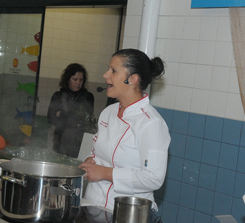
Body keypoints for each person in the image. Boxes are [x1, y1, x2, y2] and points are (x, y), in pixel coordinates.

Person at [78, 49, 170, 212]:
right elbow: (97, 152)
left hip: (127, 216)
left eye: (113, 71)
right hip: (92, 205)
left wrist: (105, 173)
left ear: (132, 79)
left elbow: (153, 178)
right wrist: (90, 160)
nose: (105, 75)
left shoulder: (151, 123)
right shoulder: (108, 112)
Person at [47, 63, 95, 158]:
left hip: (79, 143)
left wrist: (62, 114)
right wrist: (73, 120)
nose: (78, 83)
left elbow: (85, 120)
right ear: (68, 79)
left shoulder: (88, 97)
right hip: (59, 141)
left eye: (81, 80)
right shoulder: (58, 96)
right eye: (75, 79)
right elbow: (50, 118)